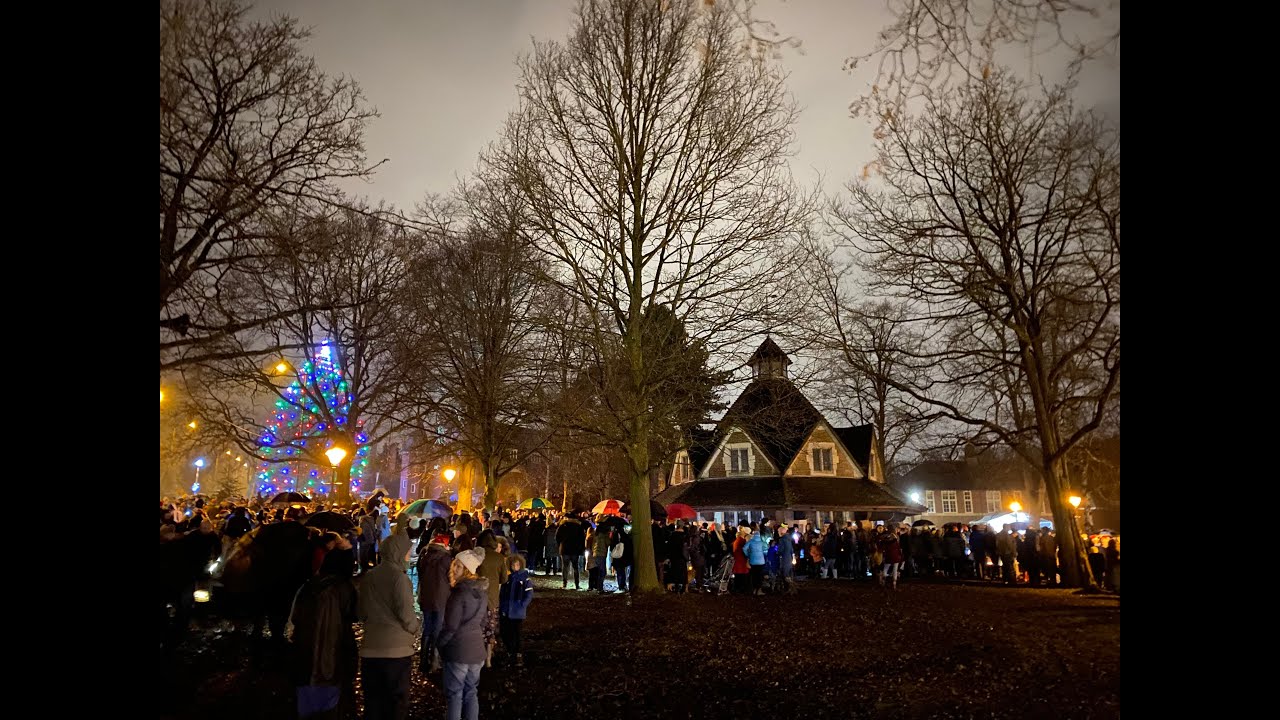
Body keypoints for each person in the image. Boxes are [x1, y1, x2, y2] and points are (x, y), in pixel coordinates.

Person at [288, 549, 359, 719]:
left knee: (306, 706)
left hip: (305, 657)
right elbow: (354, 615)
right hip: (332, 659)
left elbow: (295, 618)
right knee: (330, 707)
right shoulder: (344, 588)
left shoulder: (307, 587)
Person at [358, 531, 421, 720]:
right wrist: (415, 628)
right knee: (395, 706)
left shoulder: (369, 576)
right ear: (398, 552)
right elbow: (406, 614)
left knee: (373, 704)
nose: (409, 556)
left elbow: (361, 612)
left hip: (371, 648)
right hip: (396, 653)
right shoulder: (399, 578)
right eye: (407, 552)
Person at [438, 549, 489, 720]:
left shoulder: (458, 594)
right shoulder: (481, 593)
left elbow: (451, 626)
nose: (453, 569)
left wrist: (439, 644)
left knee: (454, 694)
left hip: (458, 651)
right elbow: (483, 622)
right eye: (454, 565)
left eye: (458, 566)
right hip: (476, 651)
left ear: (467, 570)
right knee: (471, 692)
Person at [417, 533, 453, 673]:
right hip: (441, 597)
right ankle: (434, 660)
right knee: (437, 628)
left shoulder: (424, 555)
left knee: (427, 627)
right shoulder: (446, 558)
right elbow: (451, 578)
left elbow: (420, 573)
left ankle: (423, 660)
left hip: (425, 596)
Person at [475, 531, 509, 667]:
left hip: (476, 597)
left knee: (477, 627)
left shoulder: (476, 555)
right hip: (492, 597)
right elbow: (504, 579)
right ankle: (488, 658)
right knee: (490, 629)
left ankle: (477, 655)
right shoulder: (499, 558)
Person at [498, 553, 535, 666]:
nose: (515, 567)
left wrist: (522, 604)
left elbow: (529, 594)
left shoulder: (525, 578)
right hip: (507, 610)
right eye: (513, 565)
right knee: (506, 632)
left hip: (517, 611)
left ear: (521, 565)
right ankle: (510, 652)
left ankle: (517, 654)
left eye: (517, 565)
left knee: (517, 633)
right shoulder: (507, 579)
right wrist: (502, 606)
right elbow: (502, 594)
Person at [556, 512, 586, 590]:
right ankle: (577, 584)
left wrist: (560, 544)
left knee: (565, 567)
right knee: (575, 567)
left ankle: (564, 584)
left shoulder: (563, 526)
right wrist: (581, 549)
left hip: (565, 549)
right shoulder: (578, 527)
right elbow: (582, 539)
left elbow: (557, 537)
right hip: (575, 549)